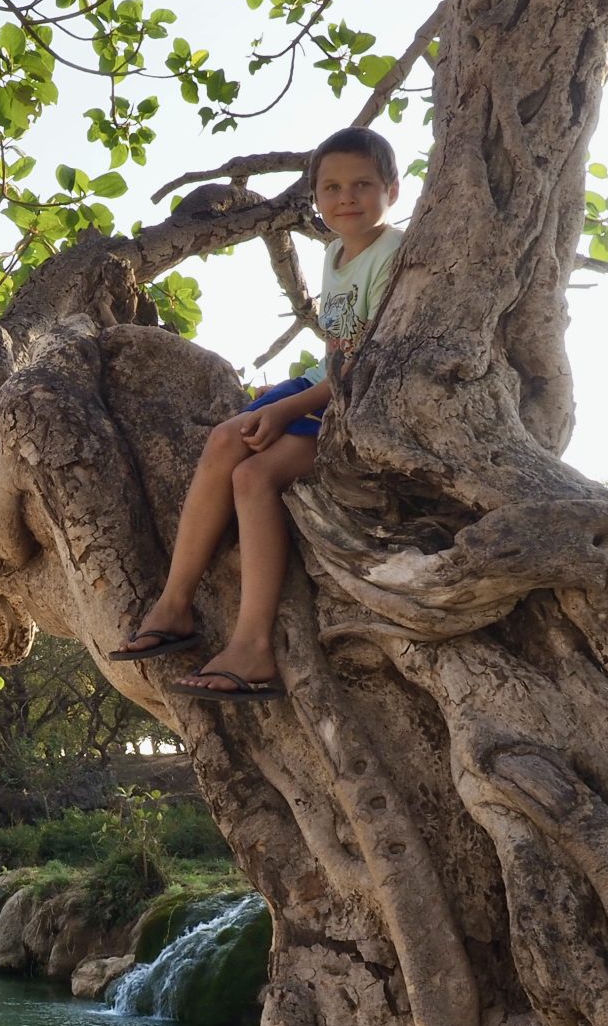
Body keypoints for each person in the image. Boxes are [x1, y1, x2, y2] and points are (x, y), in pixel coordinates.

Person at [109, 127, 405, 699]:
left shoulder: (393, 253)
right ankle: (173, 607)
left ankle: (253, 647)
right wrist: (284, 396)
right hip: (323, 385)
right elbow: (336, 349)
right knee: (225, 439)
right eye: (331, 187)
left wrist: (288, 407)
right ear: (315, 197)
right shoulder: (335, 253)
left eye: (363, 185)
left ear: (391, 189)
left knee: (254, 476)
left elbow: (365, 362)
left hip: (355, 402)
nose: (346, 197)